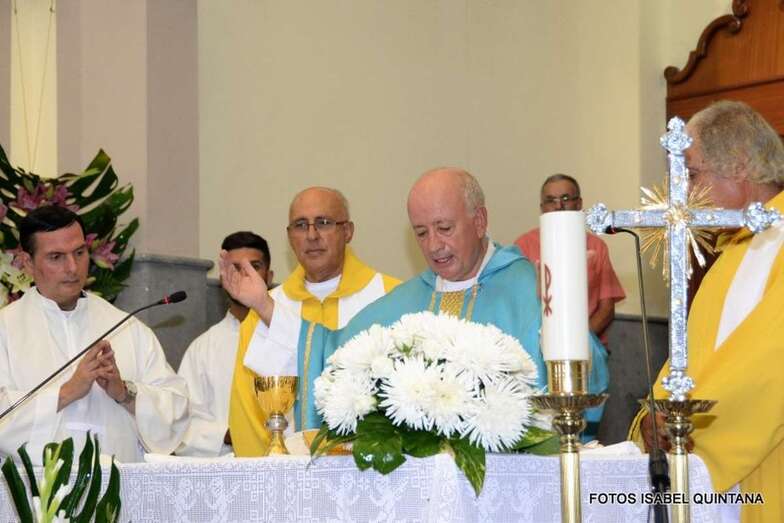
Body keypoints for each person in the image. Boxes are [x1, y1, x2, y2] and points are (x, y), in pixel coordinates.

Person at [222, 168, 609, 435]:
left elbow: (586, 380)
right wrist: (265, 305)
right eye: (421, 232)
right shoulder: (407, 301)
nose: (434, 245)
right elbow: (328, 353)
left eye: (445, 228)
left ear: (479, 221)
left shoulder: (529, 287)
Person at [630, 101, 784, 523]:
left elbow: (771, 368)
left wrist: (683, 428)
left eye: (691, 174)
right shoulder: (734, 249)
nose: (681, 191)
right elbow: (692, 358)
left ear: (738, 165)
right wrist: (654, 415)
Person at [0, 206, 189, 464]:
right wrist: (66, 392)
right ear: (27, 263)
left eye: (79, 253)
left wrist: (124, 392)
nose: (72, 267)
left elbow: (175, 413)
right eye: (56, 257)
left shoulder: (126, 327)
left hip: (119, 493)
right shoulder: (6, 329)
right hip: (36, 498)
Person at [227, 187, 400, 456]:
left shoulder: (389, 297)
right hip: (286, 474)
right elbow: (247, 408)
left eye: (324, 223)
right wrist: (265, 476)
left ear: (348, 231)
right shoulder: (265, 306)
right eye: (300, 225)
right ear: (289, 237)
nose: (311, 235)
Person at [176, 231, 273, 457]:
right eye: (236, 268)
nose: (245, 275)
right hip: (226, 470)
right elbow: (182, 423)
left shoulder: (288, 333)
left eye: (254, 266)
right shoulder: (202, 349)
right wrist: (232, 434)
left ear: (269, 276)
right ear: (223, 279)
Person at [515, 174, 625, 349]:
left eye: (565, 198)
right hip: (536, 347)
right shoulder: (524, 245)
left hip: (587, 346)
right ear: (542, 207)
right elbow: (518, 304)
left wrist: (576, 341)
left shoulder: (596, 246)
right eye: (551, 200)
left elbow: (606, 309)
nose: (559, 206)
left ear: (579, 204)